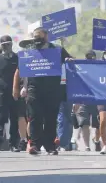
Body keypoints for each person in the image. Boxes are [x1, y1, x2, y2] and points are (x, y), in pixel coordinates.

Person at [13, 27, 73, 155]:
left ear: (46, 36)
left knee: (51, 118)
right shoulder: (30, 50)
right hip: (34, 89)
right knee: (35, 117)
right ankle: (34, 144)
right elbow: (22, 70)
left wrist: (68, 60)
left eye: (40, 36)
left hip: (53, 89)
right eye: (35, 37)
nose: (37, 39)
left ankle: (50, 145)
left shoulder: (57, 50)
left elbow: (70, 60)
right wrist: (21, 87)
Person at [0, 35, 21, 152]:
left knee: (14, 117)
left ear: (12, 44)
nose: (6, 47)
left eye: (8, 44)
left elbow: (23, 75)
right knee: (0, 117)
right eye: (3, 45)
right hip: (0, 92)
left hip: (15, 91)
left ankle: (14, 143)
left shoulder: (17, 58)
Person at [74, 50, 101, 152]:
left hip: (96, 99)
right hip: (84, 99)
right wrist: (76, 101)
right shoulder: (81, 69)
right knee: (84, 123)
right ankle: (87, 146)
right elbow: (77, 85)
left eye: (92, 57)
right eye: (88, 57)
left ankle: (97, 141)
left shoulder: (99, 69)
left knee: (98, 124)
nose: (90, 59)